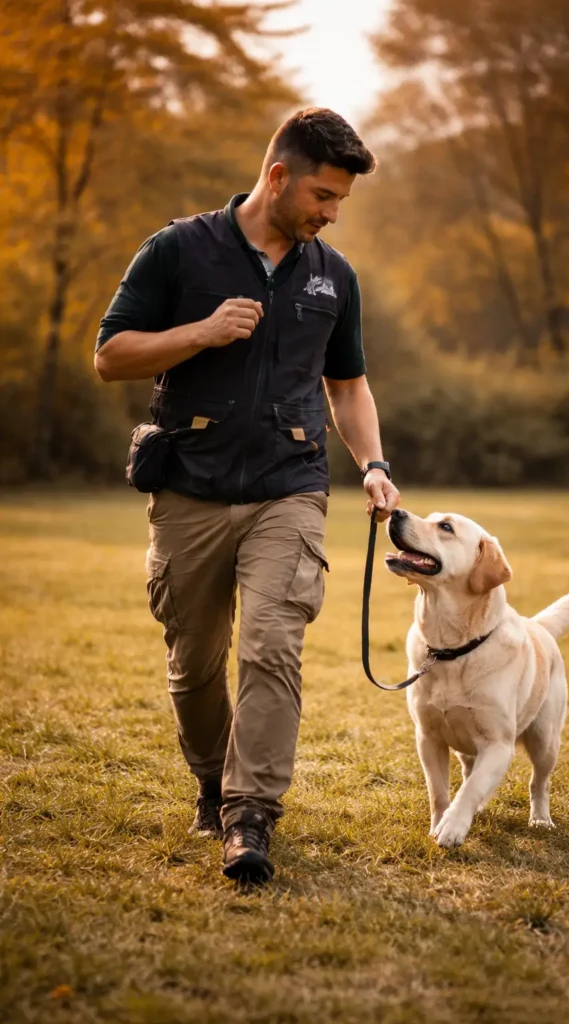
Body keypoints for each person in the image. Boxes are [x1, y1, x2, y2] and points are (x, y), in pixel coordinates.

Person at [94, 107, 400, 885]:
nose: (330, 214)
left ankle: (250, 815)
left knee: (272, 646)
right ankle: (211, 783)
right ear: (277, 176)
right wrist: (197, 333)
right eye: (323, 196)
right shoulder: (177, 250)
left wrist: (370, 462)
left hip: (287, 486)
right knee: (194, 662)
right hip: (189, 484)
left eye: (339, 203)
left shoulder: (334, 276)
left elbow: (349, 383)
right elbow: (111, 356)